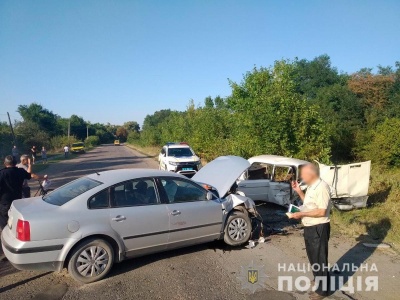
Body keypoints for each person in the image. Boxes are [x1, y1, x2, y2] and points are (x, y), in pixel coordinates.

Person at [290, 164, 332, 300]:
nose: (302, 177)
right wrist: (299, 191)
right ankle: (318, 280)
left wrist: (301, 214)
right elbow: (309, 203)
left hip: (319, 227)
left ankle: (323, 291)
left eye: (304, 174)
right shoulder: (311, 186)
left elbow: (321, 211)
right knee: (313, 256)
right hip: (309, 226)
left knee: (320, 259)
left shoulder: (322, 187)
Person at [0, 155, 32, 229]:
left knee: (4, 221)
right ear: (15, 163)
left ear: (5, 163)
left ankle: (6, 235)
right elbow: (29, 176)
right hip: (18, 200)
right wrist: (30, 165)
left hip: (5, 202)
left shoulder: (2, 173)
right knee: (16, 219)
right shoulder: (21, 171)